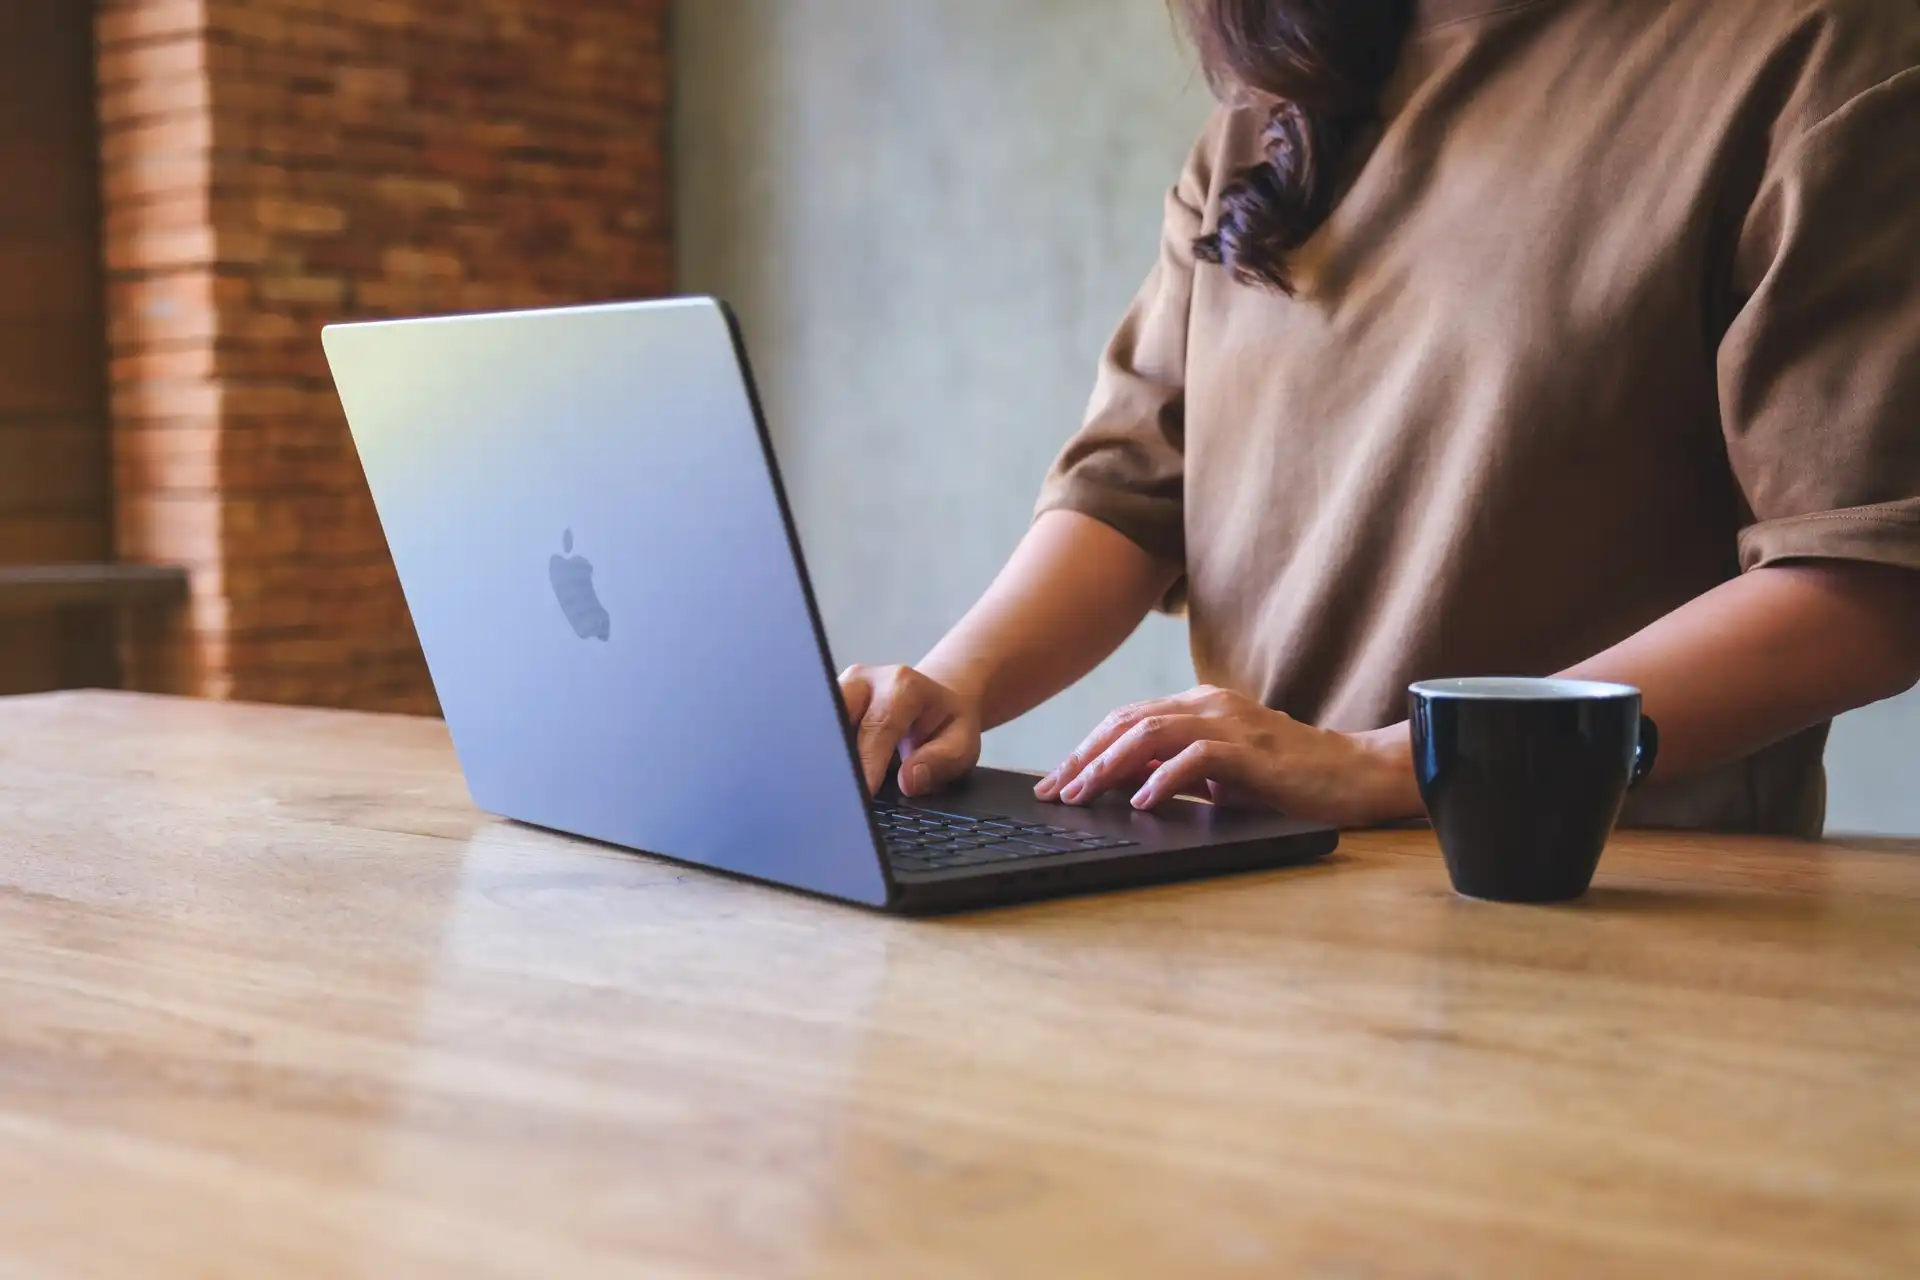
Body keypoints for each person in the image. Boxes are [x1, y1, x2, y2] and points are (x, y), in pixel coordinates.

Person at [839, 0, 1920, 836]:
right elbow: (1129, 492)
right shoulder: (1272, 114)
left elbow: (1868, 583)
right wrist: (953, 684)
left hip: (1612, 909)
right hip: (1268, 902)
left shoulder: (1818, 49)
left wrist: (1397, 763)